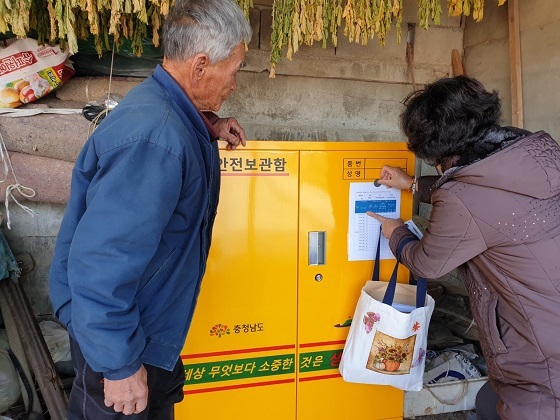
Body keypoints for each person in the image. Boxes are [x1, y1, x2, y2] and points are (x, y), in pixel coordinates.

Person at [48, 0, 252, 418]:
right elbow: (105, 259)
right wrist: (119, 364)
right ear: (199, 65)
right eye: (234, 71)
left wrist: (209, 125)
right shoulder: (156, 139)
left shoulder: (164, 110)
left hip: (142, 329)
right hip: (117, 340)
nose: (235, 83)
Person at [368, 76, 560, 420]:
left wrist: (396, 232)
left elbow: (428, 263)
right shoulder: (533, 152)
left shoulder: (461, 197)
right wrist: (412, 184)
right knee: (489, 403)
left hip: (541, 353)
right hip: (548, 320)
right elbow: (485, 198)